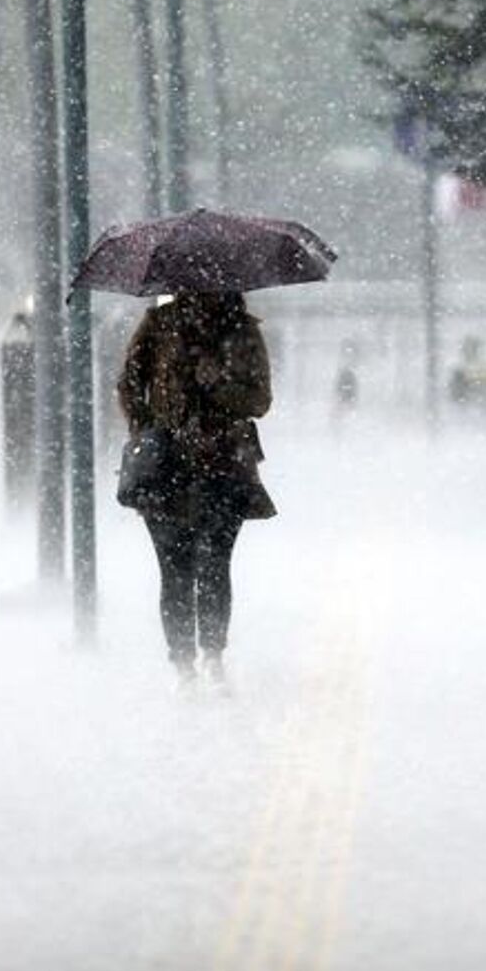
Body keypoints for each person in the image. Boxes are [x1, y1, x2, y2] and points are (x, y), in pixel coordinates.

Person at [117, 291, 275, 690]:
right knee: (175, 569)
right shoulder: (159, 325)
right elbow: (129, 383)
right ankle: (184, 663)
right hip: (166, 468)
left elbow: (259, 400)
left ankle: (212, 655)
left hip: (223, 464)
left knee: (215, 564)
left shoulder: (242, 330)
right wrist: (148, 429)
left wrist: (218, 383)